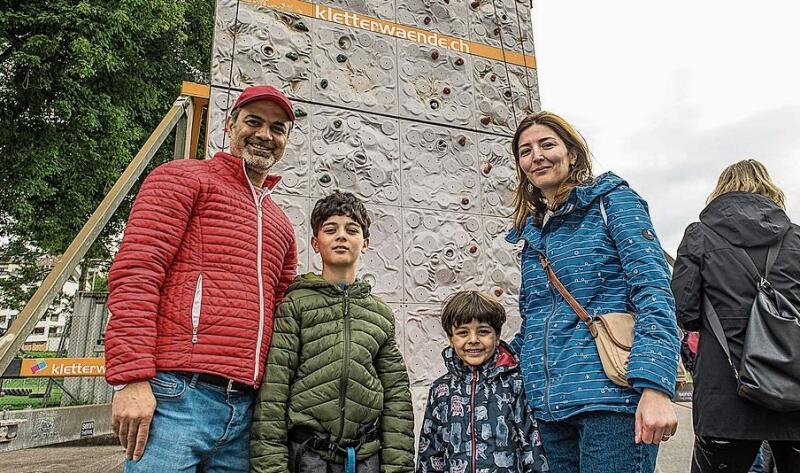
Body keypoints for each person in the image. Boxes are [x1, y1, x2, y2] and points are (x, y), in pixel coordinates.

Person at [104, 85, 298, 472]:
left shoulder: (281, 224)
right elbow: (136, 274)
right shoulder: (181, 179)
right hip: (175, 396)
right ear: (229, 125)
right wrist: (131, 379)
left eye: (277, 129)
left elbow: (282, 316)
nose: (264, 135)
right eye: (254, 122)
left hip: (246, 411)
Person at [505, 111, 681, 472]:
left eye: (547, 144)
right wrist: (496, 357)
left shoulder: (613, 203)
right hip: (550, 408)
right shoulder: (533, 235)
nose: (536, 155)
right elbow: (539, 318)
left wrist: (656, 386)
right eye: (525, 151)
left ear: (572, 154)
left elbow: (654, 291)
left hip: (610, 399)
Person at [250, 191, 415, 473]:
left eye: (352, 230)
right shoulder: (296, 304)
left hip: (365, 458)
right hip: (308, 457)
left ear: (365, 243)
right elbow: (274, 390)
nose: (341, 236)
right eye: (331, 230)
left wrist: (397, 467)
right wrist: (270, 466)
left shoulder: (380, 315)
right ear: (315, 243)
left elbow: (397, 395)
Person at [671, 159, 800, 472]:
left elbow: (685, 313)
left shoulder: (699, 235)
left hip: (725, 394)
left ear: (721, 190)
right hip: (793, 388)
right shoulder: (795, 238)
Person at [416, 290, 549, 473]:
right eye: (462, 333)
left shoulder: (515, 384)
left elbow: (532, 447)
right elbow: (429, 452)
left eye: (483, 332)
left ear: (497, 336)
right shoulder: (440, 390)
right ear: (450, 338)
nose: (473, 340)